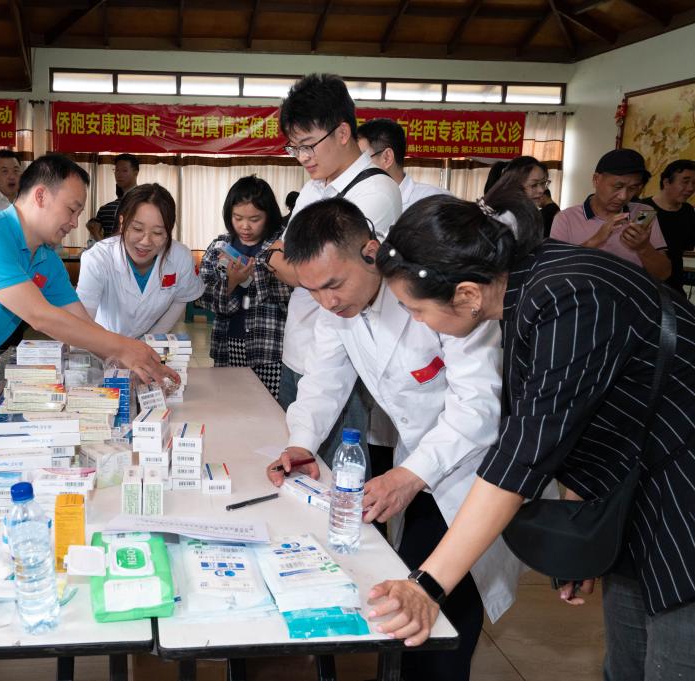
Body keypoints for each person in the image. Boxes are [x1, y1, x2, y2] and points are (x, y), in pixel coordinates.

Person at [369, 180, 695, 679]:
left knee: (673, 661)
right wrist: (581, 526)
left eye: (417, 310)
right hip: (637, 487)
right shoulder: (535, 286)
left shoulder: (569, 296)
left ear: (467, 294)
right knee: (627, 664)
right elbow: (580, 417)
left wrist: (427, 585)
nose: (418, 323)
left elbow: (522, 454)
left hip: (682, 494)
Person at [265, 197, 518, 681]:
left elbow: (477, 407)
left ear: (370, 252)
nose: (327, 302)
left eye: (333, 285)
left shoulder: (439, 287)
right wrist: (301, 442)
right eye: (313, 290)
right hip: (416, 464)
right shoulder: (336, 308)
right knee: (411, 593)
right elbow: (324, 379)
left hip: (475, 471)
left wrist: (409, 475)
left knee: (447, 604)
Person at [0, 154, 177, 489]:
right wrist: (123, 347)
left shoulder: (46, 259)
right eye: (71, 209)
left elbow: (83, 326)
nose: (74, 222)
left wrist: (131, 365)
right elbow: (39, 315)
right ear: (41, 195)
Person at [264, 72, 402, 468]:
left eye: (308, 145)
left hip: (346, 354)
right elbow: (287, 256)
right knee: (301, 455)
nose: (302, 157)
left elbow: (298, 268)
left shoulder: (375, 191)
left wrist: (284, 261)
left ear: (343, 132)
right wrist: (283, 258)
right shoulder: (315, 186)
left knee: (343, 469)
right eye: (295, 148)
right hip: (303, 346)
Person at [200, 176, 291, 398]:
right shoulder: (220, 246)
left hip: (270, 347)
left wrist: (253, 275)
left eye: (254, 219)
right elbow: (203, 296)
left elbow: (290, 292)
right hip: (228, 343)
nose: (245, 226)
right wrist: (231, 282)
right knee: (230, 404)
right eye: (238, 218)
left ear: (269, 216)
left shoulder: (281, 246)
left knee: (268, 407)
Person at [77, 183, 203, 338]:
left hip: (150, 344)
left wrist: (151, 341)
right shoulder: (98, 258)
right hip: (101, 342)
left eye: (157, 233)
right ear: (122, 223)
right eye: (137, 229)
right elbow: (83, 320)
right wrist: (120, 347)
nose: (145, 242)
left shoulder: (180, 257)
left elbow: (180, 299)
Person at [551, 148, 670, 280]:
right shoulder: (566, 218)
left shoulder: (643, 214)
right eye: (618, 186)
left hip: (632, 292)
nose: (623, 196)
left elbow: (663, 274)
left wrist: (643, 248)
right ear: (596, 179)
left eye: (632, 188)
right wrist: (595, 240)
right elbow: (554, 271)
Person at [355, 117, 450, 211]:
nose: (356, 167)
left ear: (387, 158)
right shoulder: (359, 200)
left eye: (362, 159)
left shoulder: (435, 202)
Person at [640, 159, 695, 292]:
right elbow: (633, 244)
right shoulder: (645, 210)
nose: (691, 188)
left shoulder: (688, 210)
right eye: (685, 182)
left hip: (675, 285)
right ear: (666, 182)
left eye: (694, 183)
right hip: (646, 283)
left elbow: (688, 245)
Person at [95, 153, 140, 238]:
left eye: (124, 170)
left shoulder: (144, 201)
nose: (119, 174)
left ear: (136, 173)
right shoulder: (105, 210)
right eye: (117, 170)